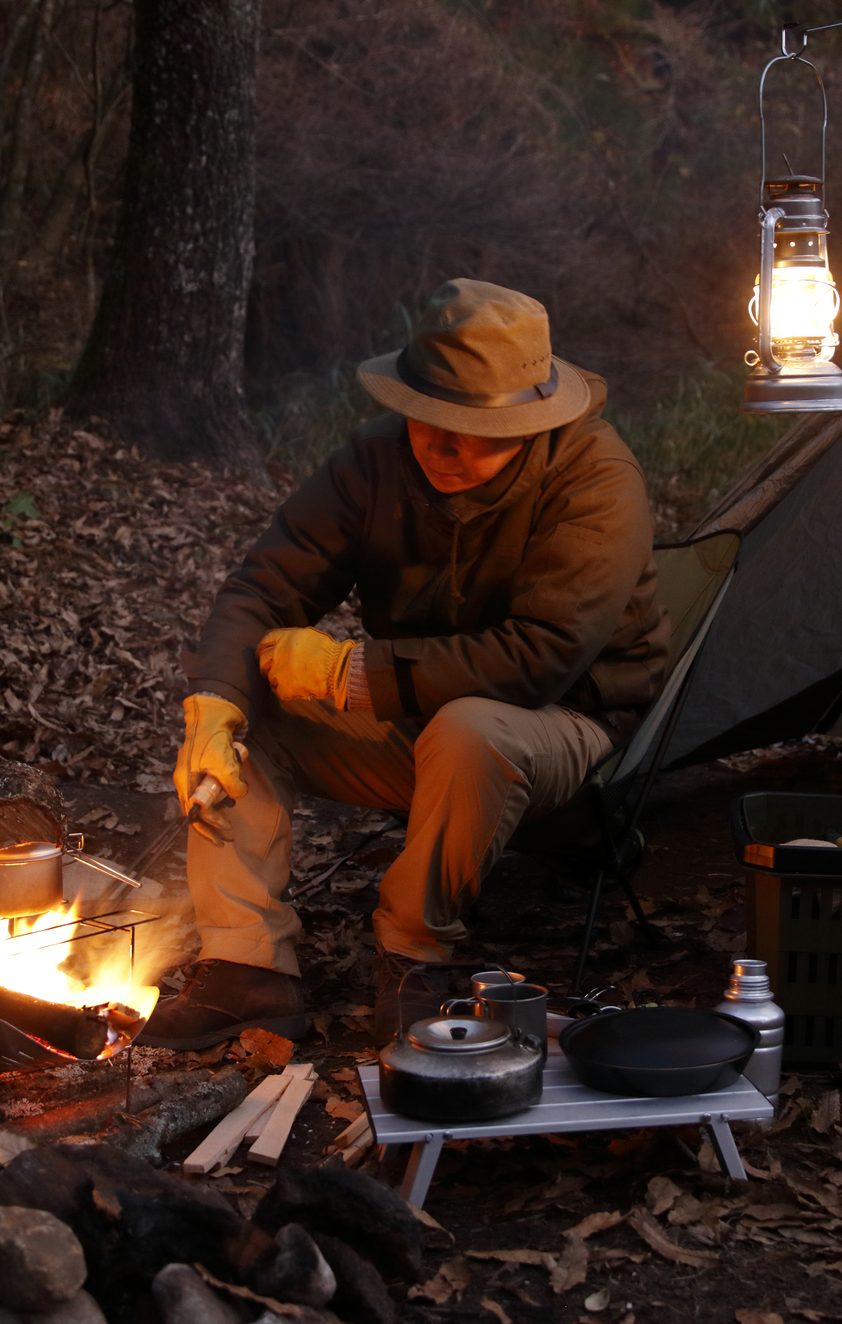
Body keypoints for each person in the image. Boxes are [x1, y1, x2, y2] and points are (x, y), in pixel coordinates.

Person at [137, 278, 669, 1050]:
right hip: (417, 715)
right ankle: (247, 967)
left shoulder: (596, 480)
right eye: (429, 423)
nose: (445, 448)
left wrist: (349, 674)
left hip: (562, 721)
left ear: (529, 420)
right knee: (247, 697)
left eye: (473, 432)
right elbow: (264, 585)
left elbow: (541, 658)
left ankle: (414, 953)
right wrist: (213, 701)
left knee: (472, 729)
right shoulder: (376, 461)